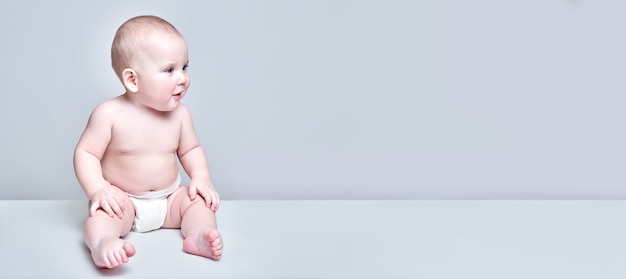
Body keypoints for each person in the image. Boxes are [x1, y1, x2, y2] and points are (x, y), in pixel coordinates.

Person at [73, 15, 223, 269]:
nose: (182, 78)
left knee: (198, 204)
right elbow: (86, 153)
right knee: (100, 219)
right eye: (169, 70)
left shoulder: (180, 115)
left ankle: (198, 236)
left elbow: (191, 149)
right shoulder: (109, 114)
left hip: (169, 200)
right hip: (124, 202)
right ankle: (102, 243)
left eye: (184, 67)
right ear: (132, 79)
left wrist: (201, 177)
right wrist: (98, 189)